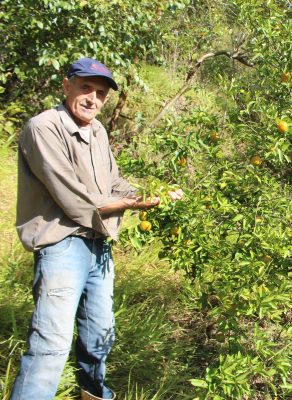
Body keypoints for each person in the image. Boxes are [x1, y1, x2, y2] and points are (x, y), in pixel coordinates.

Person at [12, 58, 183, 400]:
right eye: (85, 88)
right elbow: (75, 199)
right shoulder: (44, 127)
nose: (93, 99)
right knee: (51, 344)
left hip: (98, 245)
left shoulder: (98, 131)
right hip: (62, 244)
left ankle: (92, 394)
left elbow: (113, 182)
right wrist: (135, 205)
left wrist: (150, 193)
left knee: (99, 335)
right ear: (66, 85)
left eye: (100, 93)